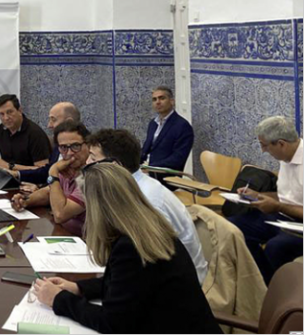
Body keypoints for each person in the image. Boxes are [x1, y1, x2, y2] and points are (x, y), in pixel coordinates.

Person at [34, 163, 221, 334]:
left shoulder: (131, 248)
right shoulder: (148, 227)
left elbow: (113, 324)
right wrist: (79, 288)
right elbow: (127, 283)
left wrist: (59, 299)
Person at [85, 128, 208, 284]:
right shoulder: (130, 189)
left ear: (114, 165)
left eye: (93, 157)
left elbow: (149, 267)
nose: (87, 162)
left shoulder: (148, 201)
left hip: (177, 289)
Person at [231, 116, 303, 283]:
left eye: (264, 145)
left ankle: (279, 292)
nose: (263, 150)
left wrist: (277, 206)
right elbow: (288, 196)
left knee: (276, 247)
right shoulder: (285, 157)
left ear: (281, 144)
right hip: (283, 218)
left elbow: (284, 204)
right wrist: (257, 195)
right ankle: (261, 283)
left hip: (300, 226)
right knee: (234, 228)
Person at [11, 121, 90, 236]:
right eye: (63, 147)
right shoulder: (68, 168)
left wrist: (53, 172)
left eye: (75, 146)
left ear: (88, 145)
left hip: (85, 243)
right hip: (64, 234)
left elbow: (60, 215)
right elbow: (49, 192)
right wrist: (25, 200)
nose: (69, 153)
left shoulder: (93, 176)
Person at [14, 102, 80, 184]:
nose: (49, 125)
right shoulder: (58, 144)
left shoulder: (87, 147)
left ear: (69, 122)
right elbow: (47, 172)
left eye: (53, 120)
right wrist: (17, 174)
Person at [140, 86, 194, 173]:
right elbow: (145, 150)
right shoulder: (153, 124)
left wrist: (151, 168)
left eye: (162, 98)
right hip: (145, 171)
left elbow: (177, 159)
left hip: (164, 176)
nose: (158, 102)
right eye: (154, 99)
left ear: (172, 101)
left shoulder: (182, 126)